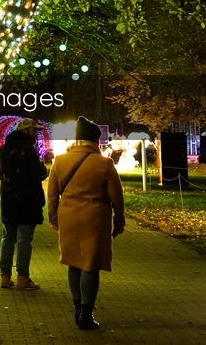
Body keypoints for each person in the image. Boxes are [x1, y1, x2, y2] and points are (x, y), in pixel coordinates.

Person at [47, 116, 126, 330]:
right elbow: (116, 197)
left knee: (73, 261)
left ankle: (77, 308)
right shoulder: (104, 163)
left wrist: (53, 215)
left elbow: (52, 193)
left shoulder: (60, 161)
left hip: (68, 216)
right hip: (95, 217)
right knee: (91, 264)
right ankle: (86, 313)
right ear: (95, 140)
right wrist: (119, 218)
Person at [0, 117, 50, 290]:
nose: (36, 134)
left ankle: (4, 276)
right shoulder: (28, 150)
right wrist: (43, 168)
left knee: (8, 237)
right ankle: (22, 278)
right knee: (24, 239)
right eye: (34, 130)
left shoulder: (5, 149)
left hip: (9, 199)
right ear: (25, 131)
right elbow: (37, 174)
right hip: (28, 201)